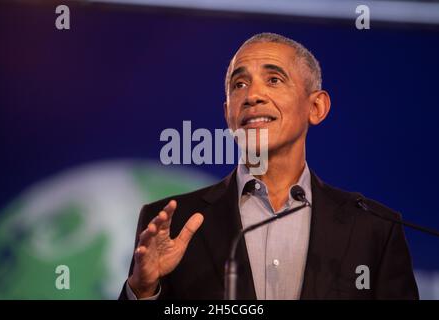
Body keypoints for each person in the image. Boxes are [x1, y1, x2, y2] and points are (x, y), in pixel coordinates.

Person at [119, 32, 419, 300]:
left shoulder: (374, 228)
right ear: (228, 115)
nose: (252, 96)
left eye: (274, 80)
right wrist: (143, 291)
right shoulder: (173, 224)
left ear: (316, 107)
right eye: (239, 84)